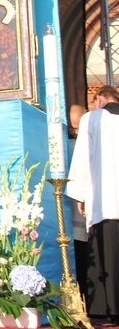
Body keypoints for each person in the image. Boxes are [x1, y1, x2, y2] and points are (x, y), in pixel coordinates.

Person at [66, 86, 119, 322]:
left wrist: (80, 194)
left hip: (104, 200)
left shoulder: (92, 119)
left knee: (104, 255)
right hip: (106, 199)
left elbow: (83, 158)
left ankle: (106, 311)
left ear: (99, 99)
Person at [68, 103, 89, 297]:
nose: (75, 131)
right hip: (73, 218)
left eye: (78, 127)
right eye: (72, 127)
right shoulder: (65, 145)